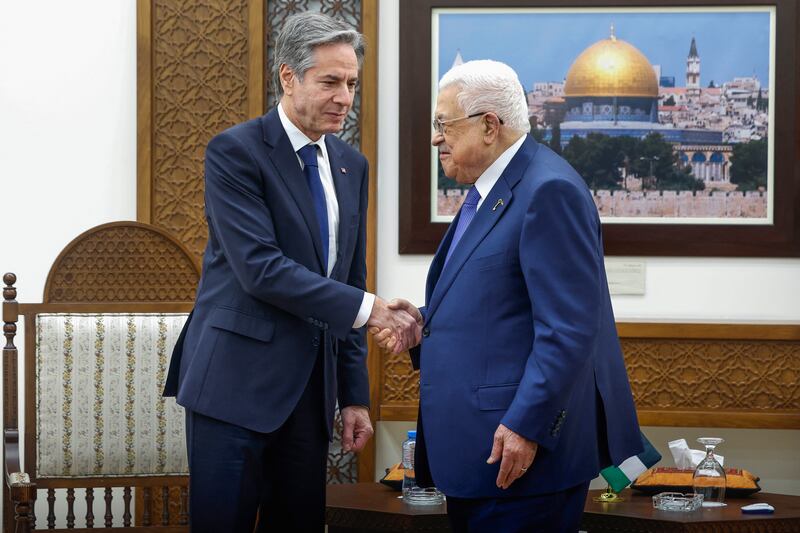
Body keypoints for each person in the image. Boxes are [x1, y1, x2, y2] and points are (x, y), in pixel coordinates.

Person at [164, 12, 419, 533]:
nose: (344, 97)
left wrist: (353, 396)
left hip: (309, 396)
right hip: (233, 388)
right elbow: (261, 270)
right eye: (329, 82)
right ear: (288, 77)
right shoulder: (235, 151)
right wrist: (373, 309)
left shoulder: (352, 164)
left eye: (350, 83)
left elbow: (348, 277)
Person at [372, 60, 642, 532]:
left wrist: (525, 426)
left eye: (444, 124)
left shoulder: (548, 190)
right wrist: (422, 324)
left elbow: (569, 329)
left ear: (490, 126)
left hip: (519, 458)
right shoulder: (490, 192)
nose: (436, 138)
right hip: (483, 457)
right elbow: (500, 306)